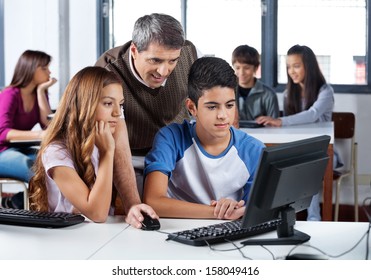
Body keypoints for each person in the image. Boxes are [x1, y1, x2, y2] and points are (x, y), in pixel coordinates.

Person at [95, 13, 199, 216]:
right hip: (130, 154)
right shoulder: (107, 72)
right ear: (134, 50)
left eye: (172, 61)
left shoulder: (188, 52)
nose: (164, 70)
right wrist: (134, 204)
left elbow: (207, 97)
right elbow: (117, 138)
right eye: (155, 60)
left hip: (176, 151)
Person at [29, 66, 157, 225]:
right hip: (64, 239)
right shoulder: (56, 152)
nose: (117, 113)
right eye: (108, 103)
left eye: (121, 104)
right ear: (85, 106)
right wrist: (107, 152)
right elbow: (97, 214)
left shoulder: (99, 143)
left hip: (97, 236)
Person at [142, 56, 265, 219]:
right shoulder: (171, 138)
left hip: (227, 234)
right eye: (212, 107)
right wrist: (218, 212)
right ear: (192, 108)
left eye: (229, 105)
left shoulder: (254, 150)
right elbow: (153, 201)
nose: (223, 115)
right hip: (175, 232)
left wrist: (234, 212)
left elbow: (256, 211)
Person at [256, 44, 335, 221]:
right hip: (302, 149)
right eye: (289, 67)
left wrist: (280, 121)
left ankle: (314, 219)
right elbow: (293, 127)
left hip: (325, 151)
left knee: (310, 166)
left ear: (310, 66)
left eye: (296, 66)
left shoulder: (325, 91)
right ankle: (275, 219)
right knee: (276, 165)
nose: (292, 71)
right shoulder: (287, 93)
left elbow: (312, 114)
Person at [0, 50, 57, 209]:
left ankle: (14, 202)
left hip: (19, 148)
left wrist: (40, 92)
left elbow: (47, 125)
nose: (49, 72)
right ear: (31, 69)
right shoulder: (10, 94)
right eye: (44, 68)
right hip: (2, 151)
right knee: (31, 166)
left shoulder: (40, 93)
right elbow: (3, 133)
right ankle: (39, 210)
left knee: (52, 161)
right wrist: (39, 134)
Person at [232, 45, 279, 120]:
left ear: (256, 68)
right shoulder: (227, 93)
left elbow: (274, 126)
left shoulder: (269, 95)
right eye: (237, 68)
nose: (241, 72)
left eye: (246, 68)